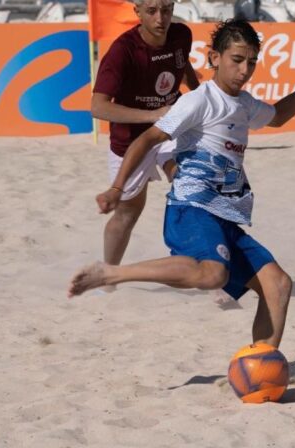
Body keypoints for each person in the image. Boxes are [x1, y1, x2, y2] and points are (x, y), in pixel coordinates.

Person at [69, 19, 295, 348]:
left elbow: (278, 115)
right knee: (213, 273)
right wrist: (116, 188)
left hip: (224, 214)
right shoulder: (199, 100)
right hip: (191, 208)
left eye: (252, 62)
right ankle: (111, 273)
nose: (244, 70)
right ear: (215, 58)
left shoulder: (244, 103)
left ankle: (260, 363)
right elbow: (148, 140)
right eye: (237, 60)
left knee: (279, 284)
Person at [92, 0, 200, 291]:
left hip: (169, 130)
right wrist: (151, 115)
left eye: (166, 9)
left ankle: (210, 272)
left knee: (189, 183)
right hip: (129, 141)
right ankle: (108, 279)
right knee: (127, 214)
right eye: (152, 10)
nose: (160, 17)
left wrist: (199, 94)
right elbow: (98, 107)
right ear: (137, 12)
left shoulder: (182, 35)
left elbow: (183, 64)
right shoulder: (122, 51)